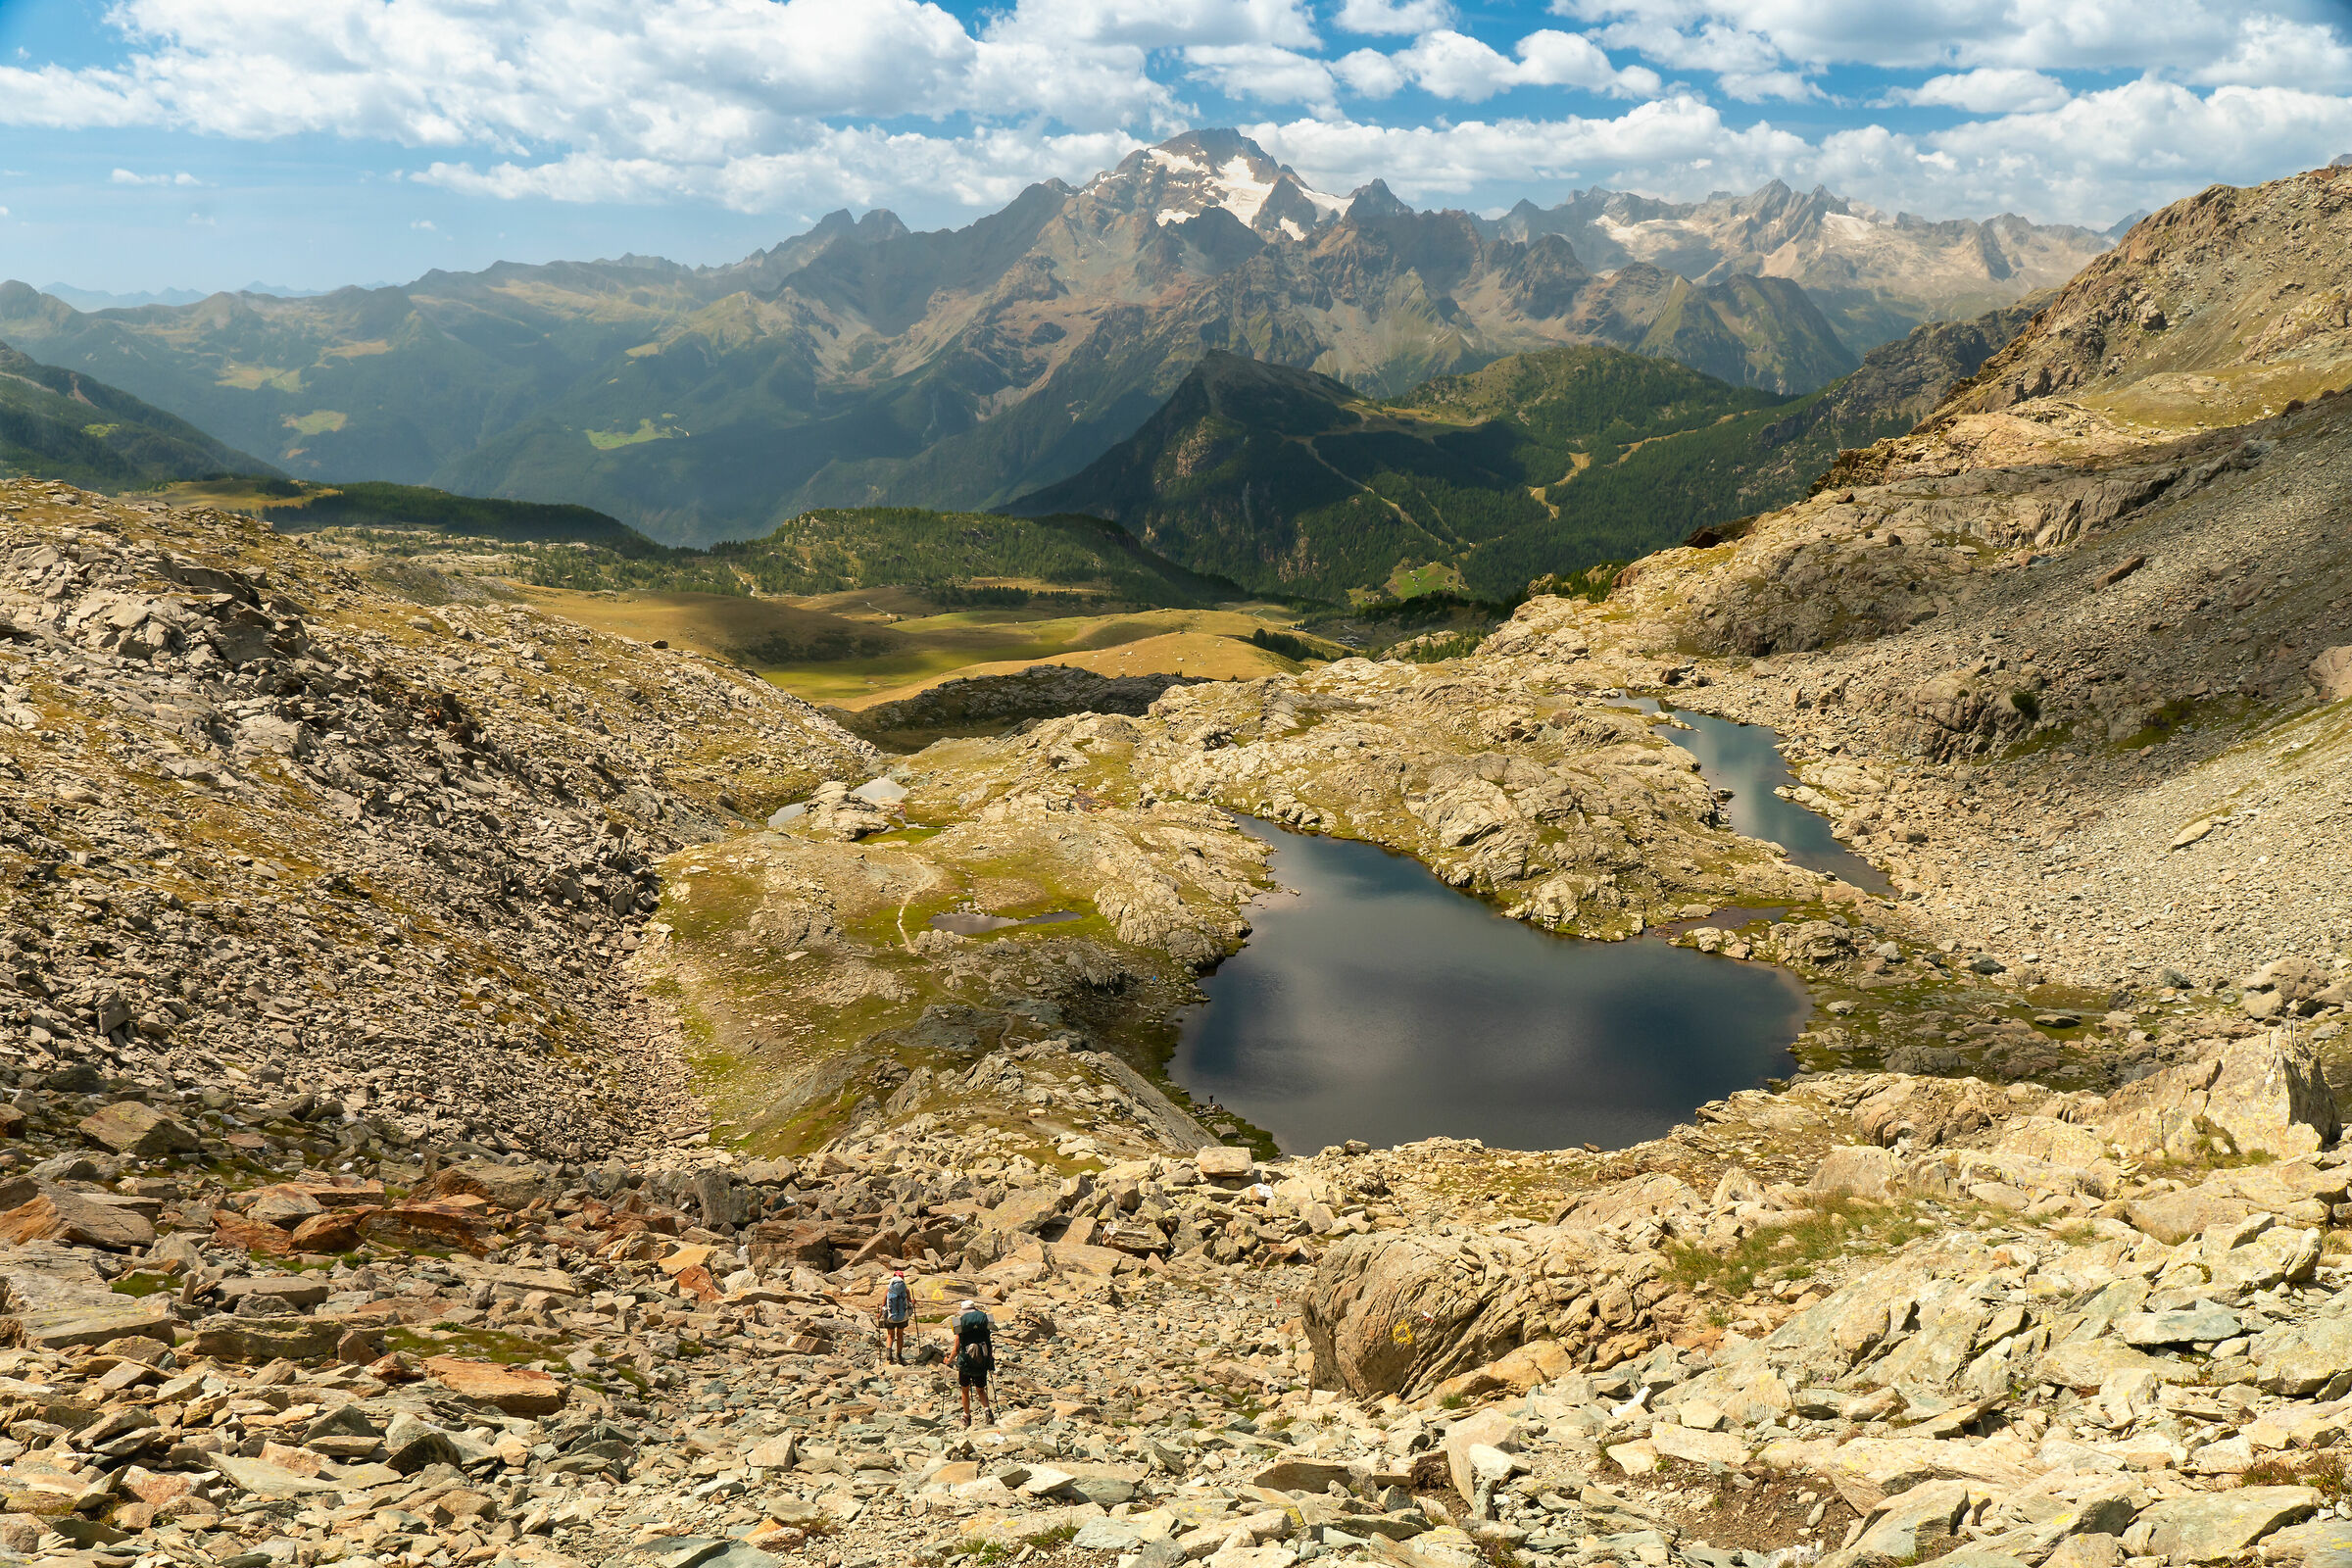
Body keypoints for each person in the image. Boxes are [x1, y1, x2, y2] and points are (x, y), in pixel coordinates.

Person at [951, 1298, 997, 1427]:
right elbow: (989, 1340)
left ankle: (966, 1416)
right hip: (982, 1360)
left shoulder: (960, 1323)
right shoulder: (984, 1321)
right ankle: (987, 1411)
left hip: (966, 1362)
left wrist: (949, 1359)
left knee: (965, 1390)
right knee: (980, 1390)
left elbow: (956, 1346)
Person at [881, 1269, 912, 1365]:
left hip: (890, 1316)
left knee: (890, 1335)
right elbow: (910, 1303)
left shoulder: (888, 1289)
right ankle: (899, 1355)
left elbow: (883, 1303)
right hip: (902, 1317)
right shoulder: (906, 1290)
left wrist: (880, 1313)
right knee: (900, 1335)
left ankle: (889, 1354)